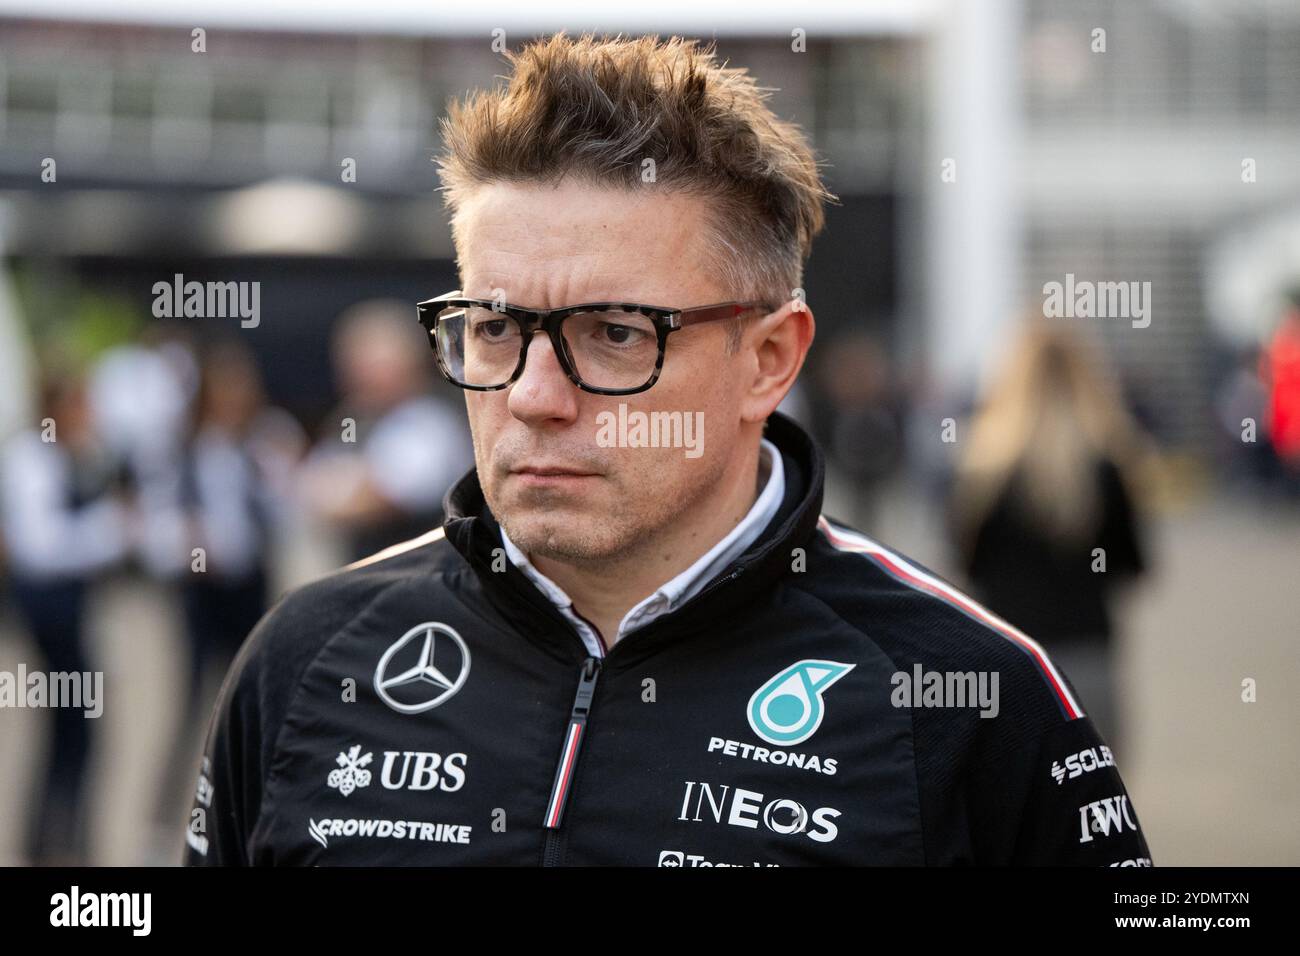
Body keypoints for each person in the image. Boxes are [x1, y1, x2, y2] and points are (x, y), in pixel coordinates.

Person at [185, 33, 1151, 866]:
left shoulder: (970, 703)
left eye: (614, 333)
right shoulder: (307, 660)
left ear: (768, 359)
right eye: (492, 327)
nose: (531, 396)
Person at [948, 320, 1149, 754]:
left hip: (1007, 659)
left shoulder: (982, 472)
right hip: (1086, 653)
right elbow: (1134, 566)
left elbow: (966, 565)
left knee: (1008, 810)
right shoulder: (1109, 467)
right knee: (1095, 806)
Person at [1, 368, 132, 864]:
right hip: (48, 614)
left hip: (69, 610)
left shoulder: (72, 457)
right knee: (73, 729)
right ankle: (51, 846)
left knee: (75, 732)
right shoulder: (31, 461)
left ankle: (63, 841)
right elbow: (41, 548)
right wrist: (109, 530)